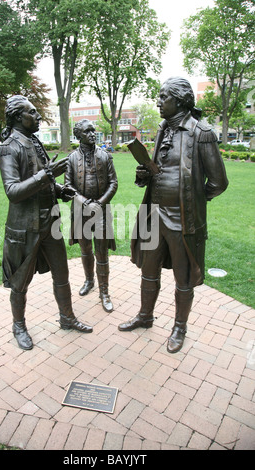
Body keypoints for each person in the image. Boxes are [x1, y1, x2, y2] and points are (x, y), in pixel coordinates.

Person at [118, 77, 228, 354]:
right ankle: (145, 316)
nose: (158, 101)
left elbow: (218, 182)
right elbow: (158, 170)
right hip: (154, 214)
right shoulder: (163, 128)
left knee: (183, 277)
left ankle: (180, 327)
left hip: (182, 219)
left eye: (163, 97)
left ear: (180, 100)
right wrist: (145, 175)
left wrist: (194, 201)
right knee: (148, 271)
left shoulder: (201, 133)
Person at [0, 96, 92, 350]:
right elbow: (13, 191)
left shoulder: (34, 142)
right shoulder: (9, 147)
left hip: (50, 224)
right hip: (25, 227)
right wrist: (48, 174)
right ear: (19, 117)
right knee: (20, 282)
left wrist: (60, 189)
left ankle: (67, 318)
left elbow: (41, 180)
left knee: (62, 273)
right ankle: (19, 326)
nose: (38, 116)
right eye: (32, 112)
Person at [65, 119, 118, 313]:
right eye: (87, 131)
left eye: (93, 130)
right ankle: (89, 281)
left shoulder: (105, 156)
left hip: (101, 211)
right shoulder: (71, 158)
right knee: (85, 249)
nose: (92, 134)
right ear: (78, 135)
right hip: (81, 212)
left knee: (101, 252)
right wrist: (85, 202)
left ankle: (104, 292)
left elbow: (114, 183)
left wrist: (100, 203)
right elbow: (68, 186)